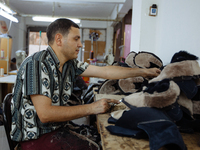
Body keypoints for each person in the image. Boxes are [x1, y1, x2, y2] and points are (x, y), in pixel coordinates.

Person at [11, 18, 161, 150]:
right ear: (59, 40)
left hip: (56, 128)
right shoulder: (37, 64)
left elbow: (106, 72)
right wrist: (92, 107)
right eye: (76, 39)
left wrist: (143, 72)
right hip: (35, 137)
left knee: (96, 137)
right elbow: (45, 114)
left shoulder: (69, 64)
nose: (81, 44)